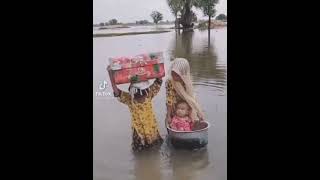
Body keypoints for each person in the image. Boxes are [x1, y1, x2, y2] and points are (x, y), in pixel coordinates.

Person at [108, 66, 163, 151]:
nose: (141, 96)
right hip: (138, 133)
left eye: (142, 94)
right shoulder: (130, 100)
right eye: (138, 94)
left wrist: (156, 64)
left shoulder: (148, 95)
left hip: (152, 130)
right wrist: (111, 75)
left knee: (155, 149)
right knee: (141, 150)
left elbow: (159, 80)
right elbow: (117, 92)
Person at [165, 58, 205, 125]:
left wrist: (198, 112)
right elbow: (169, 99)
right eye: (173, 73)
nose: (174, 77)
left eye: (177, 75)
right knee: (174, 122)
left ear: (183, 74)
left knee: (191, 122)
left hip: (187, 107)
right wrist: (168, 116)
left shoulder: (187, 80)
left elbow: (191, 97)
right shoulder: (170, 81)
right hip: (175, 107)